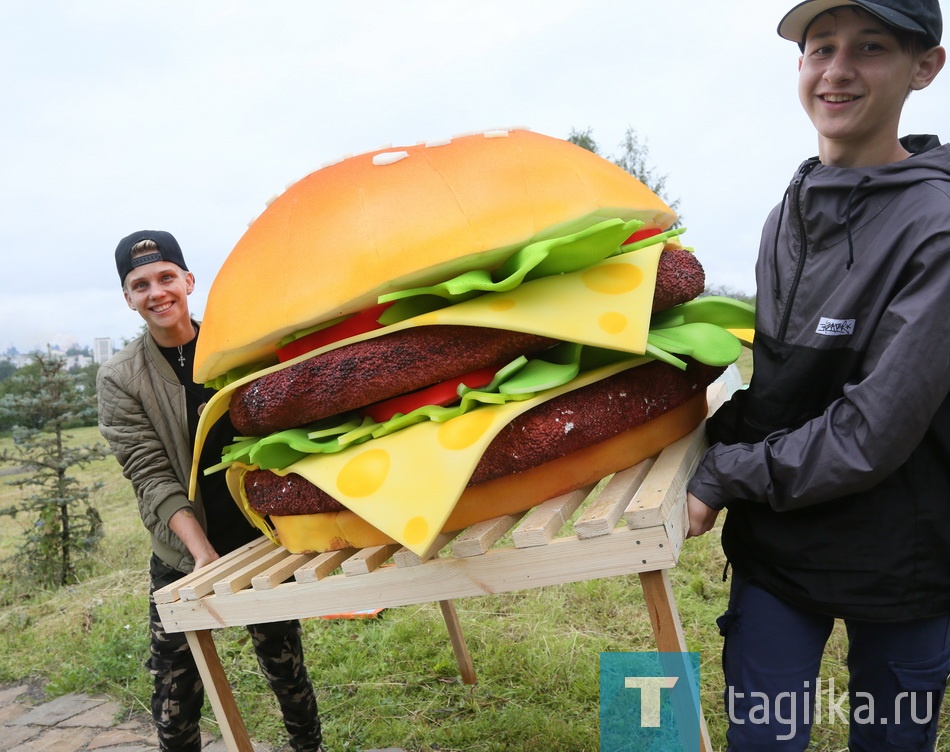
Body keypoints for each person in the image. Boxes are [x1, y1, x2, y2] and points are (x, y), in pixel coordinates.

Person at [686, 1, 950, 749]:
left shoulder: (938, 224)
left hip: (905, 554)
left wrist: (723, 474)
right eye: (819, 48)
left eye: (869, 48)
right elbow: (781, 387)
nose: (836, 70)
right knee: (763, 738)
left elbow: (873, 430)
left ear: (924, 67)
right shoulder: (786, 212)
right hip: (782, 550)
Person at [97, 230, 324, 752]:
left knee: (284, 667)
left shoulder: (235, 345)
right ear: (127, 298)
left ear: (188, 280)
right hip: (182, 551)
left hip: (258, 536)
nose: (157, 292)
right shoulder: (121, 377)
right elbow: (149, 472)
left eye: (166, 277)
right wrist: (202, 555)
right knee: (175, 694)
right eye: (141, 284)